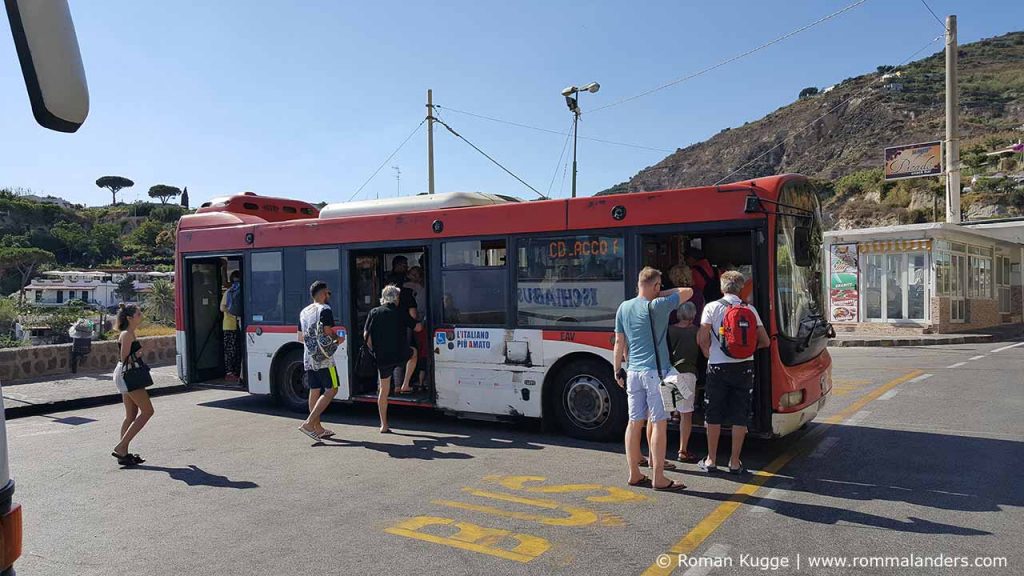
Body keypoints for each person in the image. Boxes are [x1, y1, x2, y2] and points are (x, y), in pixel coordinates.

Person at [614, 266, 692, 492]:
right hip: (655, 374)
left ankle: (634, 473)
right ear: (656, 286)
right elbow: (687, 291)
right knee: (658, 423)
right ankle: (659, 477)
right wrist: (662, 293)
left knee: (634, 422)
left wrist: (617, 369)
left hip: (633, 372)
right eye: (659, 286)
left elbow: (619, 343)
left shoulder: (624, 307)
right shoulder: (659, 305)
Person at [697, 271, 770, 475]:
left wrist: (709, 353)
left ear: (722, 288)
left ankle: (711, 460)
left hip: (718, 366)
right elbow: (764, 341)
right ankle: (735, 462)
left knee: (714, 414)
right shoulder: (750, 310)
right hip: (744, 367)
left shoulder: (711, 308)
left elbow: (703, 338)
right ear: (740, 288)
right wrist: (745, 350)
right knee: (740, 416)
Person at [365, 285, 422, 433]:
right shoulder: (400, 312)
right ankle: (405, 384)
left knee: (384, 391)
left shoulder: (374, 312)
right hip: (400, 354)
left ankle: (384, 425)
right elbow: (418, 328)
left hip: (382, 358)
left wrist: (373, 351)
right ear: (396, 298)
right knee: (414, 353)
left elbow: (366, 336)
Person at [297, 281, 345, 441]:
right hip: (324, 358)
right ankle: (309, 423)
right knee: (332, 389)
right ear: (323, 293)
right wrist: (338, 339)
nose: (329, 296)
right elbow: (327, 332)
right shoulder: (325, 309)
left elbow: (300, 337)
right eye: (328, 293)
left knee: (315, 389)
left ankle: (317, 429)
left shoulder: (303, 312)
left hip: (308, 357)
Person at [111, 304, 154, 466]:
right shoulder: (127, 334)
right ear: (130, 318)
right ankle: (121, 447)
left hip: (125, 375)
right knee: (148, 411)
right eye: (138, 313)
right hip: (129, 375)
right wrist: (139, 353)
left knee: (131, 415)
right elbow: (125, 359)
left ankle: (124, 453)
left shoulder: (129, 333)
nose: (140, 315)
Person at [666, 301, 700, 463]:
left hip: (670, 375)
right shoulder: (696, 331)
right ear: (693, 315)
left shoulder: (669, 330)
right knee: (687, 414)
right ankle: (683, 450)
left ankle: (658, 450)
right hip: (688, 375)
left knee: (664, 413)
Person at [386, 255, 420, 393]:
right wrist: (414, 323)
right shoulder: (406, 287)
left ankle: (384, 387)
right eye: (404, 265)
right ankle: (400, 385)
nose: (406, 267)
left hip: (388, 327)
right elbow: (413, 314)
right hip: (404, 325)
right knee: (405, 354)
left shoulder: (387, 281)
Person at [404, 266, 429, 390]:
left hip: (416, 323)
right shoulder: (412, 287)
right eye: (412, 274)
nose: (415, 277)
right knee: (416, 352)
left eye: (416, 274)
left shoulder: (418, 287)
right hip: (415, 324)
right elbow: (416, 311)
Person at [220, 271, 242, 382]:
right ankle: (229, 373)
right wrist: (233, 311)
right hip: (229, 326)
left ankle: (236, 372)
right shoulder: (229, 292)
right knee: (230, 351)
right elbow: (222, 307)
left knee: (237, 350)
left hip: (237, 326)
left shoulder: (238, 292)